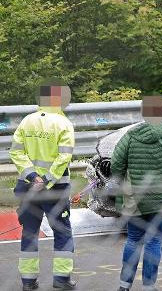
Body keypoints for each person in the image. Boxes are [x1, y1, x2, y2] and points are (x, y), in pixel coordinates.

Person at [109, 94, 162, 291]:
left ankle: (124, 286)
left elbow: (116, 165)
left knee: (133, 239)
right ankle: (149, 286)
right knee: (154, 240)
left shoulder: (130, 136)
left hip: (135, 199)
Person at [10, 83, 76, 290]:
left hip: (28, 186)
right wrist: (46, 179)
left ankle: (28, 282)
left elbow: (16, 152)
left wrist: (32, 176)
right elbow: (64, 156)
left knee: (29, 233)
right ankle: (61, 280)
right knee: (62, 233)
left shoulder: (26, 121)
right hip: (55, 190)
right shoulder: (63, 123)